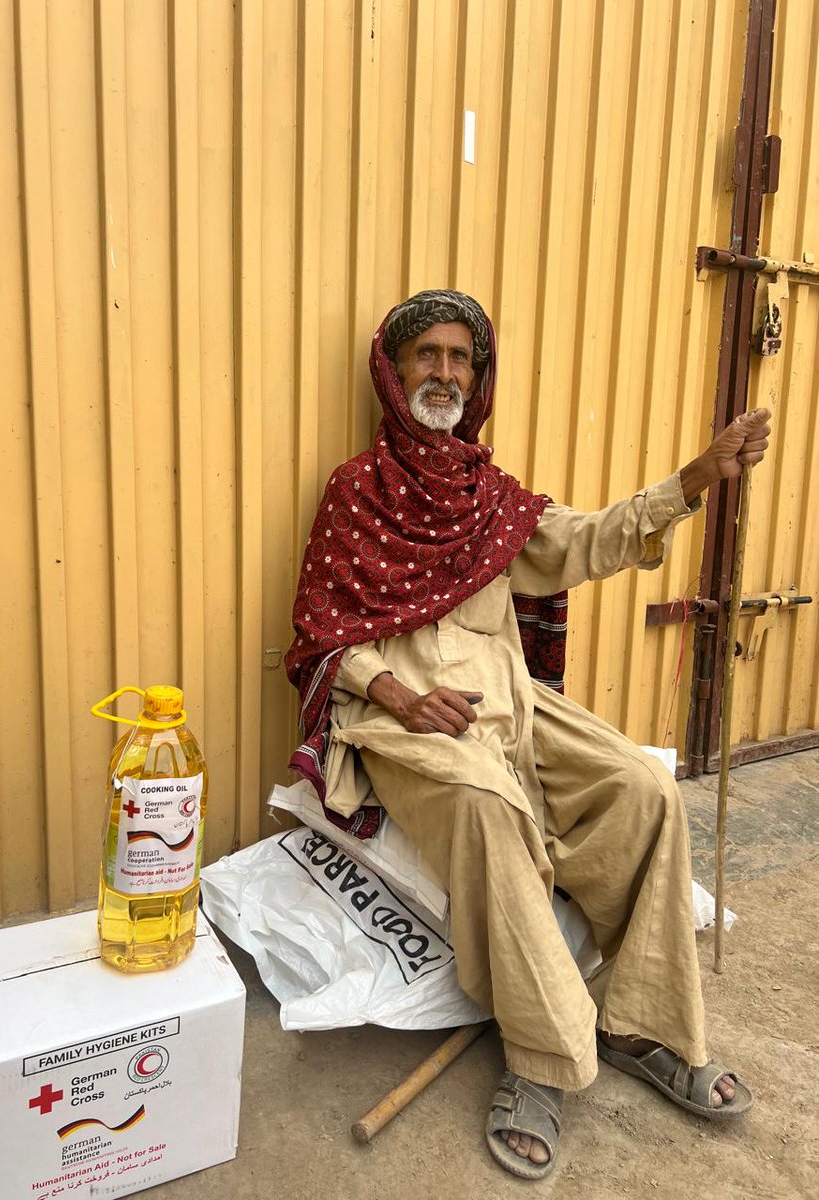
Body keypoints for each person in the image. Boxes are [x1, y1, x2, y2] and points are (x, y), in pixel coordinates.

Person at [284, 290, 769, 1180]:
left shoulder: (489, 498)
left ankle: (642, 1024)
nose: (444, 373)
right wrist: (393, 690)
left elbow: (586, 541)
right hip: (404, 718)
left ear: (480, 375)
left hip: (510, 699)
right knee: (485, 804)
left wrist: (694, 480)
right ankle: (542, 1058)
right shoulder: (356, 490)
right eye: (426, 355)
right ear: (393, 374)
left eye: (461, 357)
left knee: (642, 782)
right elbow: (321, 630)